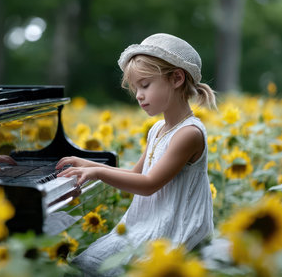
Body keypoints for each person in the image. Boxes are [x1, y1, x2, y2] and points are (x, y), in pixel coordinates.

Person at [56, 33, 217, 276]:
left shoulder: (189, 134)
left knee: (94, 266)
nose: (139, 95)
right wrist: (88, 164)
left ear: (176, 78)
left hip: (174, 230)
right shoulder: (158, 129)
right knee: (86, 263)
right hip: (147, 223)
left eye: (145, 85)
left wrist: (97, 171)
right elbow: (136, 173)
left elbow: (148, 184)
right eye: (136, 88)